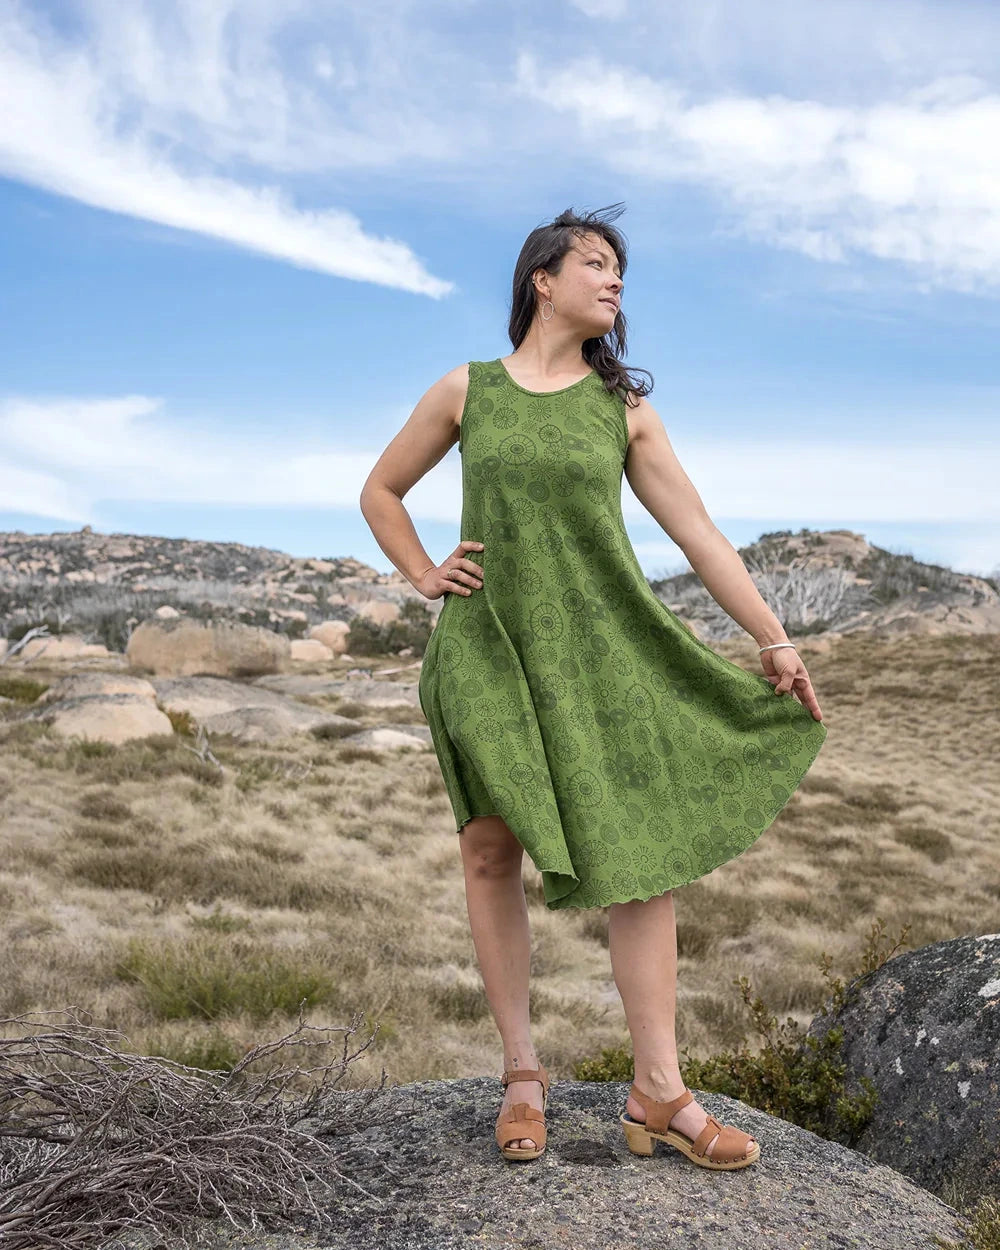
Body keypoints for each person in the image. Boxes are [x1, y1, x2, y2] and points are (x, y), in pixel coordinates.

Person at [359, 203, 827, 1169]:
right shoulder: (468, 390)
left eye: (621, 272)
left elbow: (698, 533)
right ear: (543, 279)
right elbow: (380, 490)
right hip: (488, 653)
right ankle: (522, 1074)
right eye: (597, 264)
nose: (615, 283)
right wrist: (420, 573)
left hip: (605, 658)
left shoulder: (623, 411)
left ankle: (659, 1090)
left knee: (640, 859)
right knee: (490, 852)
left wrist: (774, 639)